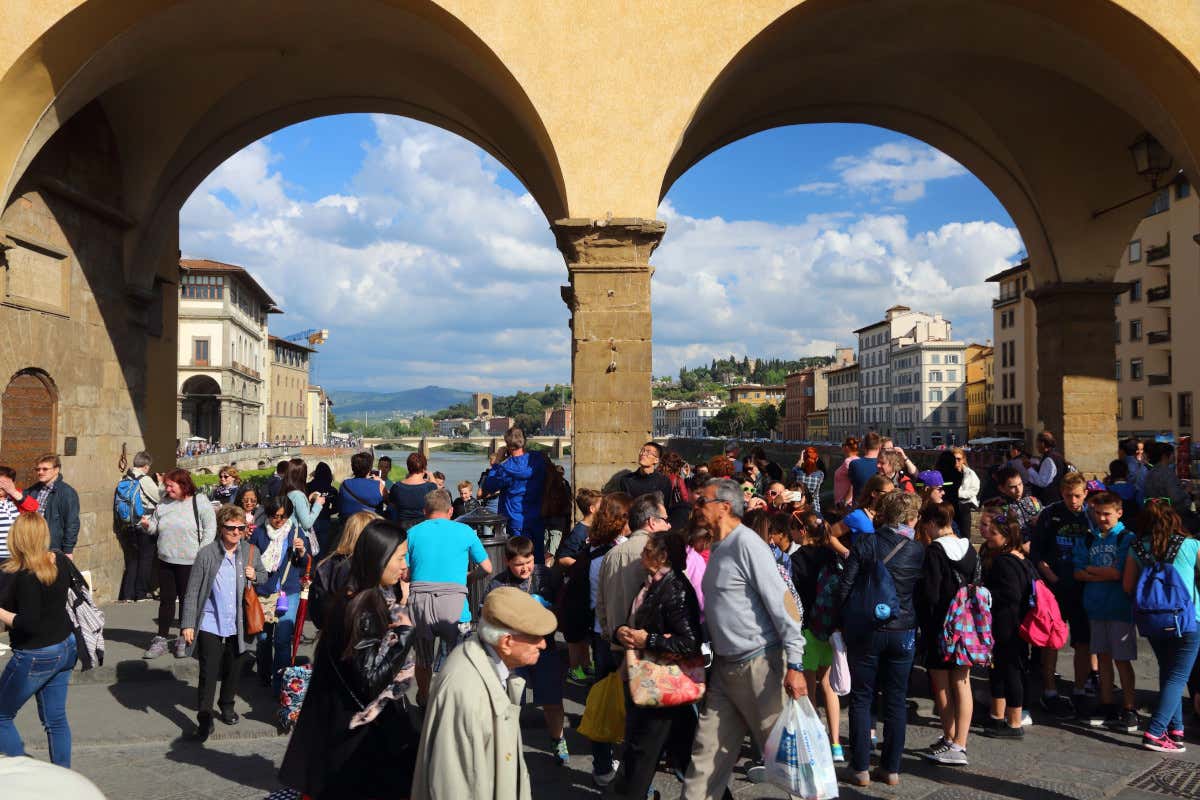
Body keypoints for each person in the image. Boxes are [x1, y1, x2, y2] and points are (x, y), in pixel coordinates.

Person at [681, 479, 806, 799]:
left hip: (760, 665)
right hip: (725, 668)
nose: (696, 507)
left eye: (701, 501)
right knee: (705, 758)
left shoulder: (748, 544)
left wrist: (795, 662)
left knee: (788, 760)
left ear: (724, 506)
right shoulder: (719, 546)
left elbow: (784, 605)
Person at [279, 519, 419, 799]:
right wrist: (405, 631)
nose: (405, 565)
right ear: (381, 558)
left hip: (341, 731)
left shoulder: (356, 596)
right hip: (360, 738)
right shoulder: (366, 608)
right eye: (401, 557)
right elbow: (369, 681)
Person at [411, 587, 555, 800]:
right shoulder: (465, 692)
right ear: (506, 642)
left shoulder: (489, 664)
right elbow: (452, 788)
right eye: (535, 637)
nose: (543, 644)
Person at [836, 491, 924, 787]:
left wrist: (842, 623)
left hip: (868, 629)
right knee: (897, 700)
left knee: (862, 697)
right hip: (903, 630)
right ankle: (891, 768)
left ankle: (860, 767)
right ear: (911, 519)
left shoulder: (866, 542)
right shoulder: (917, 550)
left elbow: (845, 585)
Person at [612, 530, 703, 798]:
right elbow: (639, 624)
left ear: (662, 556)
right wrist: (621, 631)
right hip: (660, 685)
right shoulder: (653, 583)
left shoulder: (674, 588)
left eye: (647, 550)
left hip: (661, 686)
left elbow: (689, 643)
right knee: (687, 758)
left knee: (639, 758)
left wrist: (647, 639)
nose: (641, 555)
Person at [180, 504, 268, 741]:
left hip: (238, 622)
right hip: (210, 620)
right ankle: (205, 717)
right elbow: (192, 591)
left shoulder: (250, 551)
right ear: (221, 528)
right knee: (208, 671)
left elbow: (264, 576)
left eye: (241, 528)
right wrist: (187, 624)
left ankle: (227, 704)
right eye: (231, 528)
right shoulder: (206, 554)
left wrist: (255, 576)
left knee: (234, 666)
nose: (236, 532)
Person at [562, 492, 630, 786]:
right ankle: (623, 767)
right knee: (625, 703)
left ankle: (603, 764)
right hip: (619, 636)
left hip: (600, 633)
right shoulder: (621, 552)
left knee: (603, 699)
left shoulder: (593, 548)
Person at [483, 536, 568, 765]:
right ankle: (509, 746)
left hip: (544, 647)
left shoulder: (544, 576)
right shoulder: (497, 585)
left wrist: (550, 607)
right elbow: (489, 619)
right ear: (507, 561)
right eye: (519, 564)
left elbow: (563, 606)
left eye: (528, 561)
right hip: (512, 655)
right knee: (511, 702)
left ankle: (557, 739)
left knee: (552, 700)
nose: (525, 568)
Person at [0, 512, 77, 767]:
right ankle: (63, 778)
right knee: (55, 719)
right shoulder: (59, 560)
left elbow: (28, 623)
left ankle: (25, 777)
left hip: (36, 653)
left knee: (1, 716)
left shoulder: (26, 576)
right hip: (66, 645)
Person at [1123, 502, 1200, 752]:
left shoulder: (1137, 548)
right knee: (1178, 676)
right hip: (1187, 620)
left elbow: (1127, 586)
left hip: (1153, 621)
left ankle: (1175, 729)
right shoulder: (1189, 545)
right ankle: (1155, 732)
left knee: (1168, 672)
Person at [407, 489, 493, 705]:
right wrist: (470, 577)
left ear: (425, 511)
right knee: (455, 659)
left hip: (420, 604)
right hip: (455, 606)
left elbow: (405, 572)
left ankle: (424, 697)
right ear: (451, 510)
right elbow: (487, 567)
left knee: (423, 659)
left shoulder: (413, 532)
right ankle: (448, 701)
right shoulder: (465, 531)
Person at [916, 502, 979, 765]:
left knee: (942, 686)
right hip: (965, 625)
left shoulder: (934, 551)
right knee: (963, 683)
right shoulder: (969, 548)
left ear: (931, 523)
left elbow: (930, 594)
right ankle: (959, 741)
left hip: (939, 626)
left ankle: (951, 738)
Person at [1030, 471, 1093, 717]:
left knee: (1083, 642)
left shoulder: (1091, 516)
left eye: (1077, 496)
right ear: (1061, 494)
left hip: (1083, 586)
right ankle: (1049, 690)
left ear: (1085, 494)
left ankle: (1079, 689)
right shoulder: (1051, 513)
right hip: (1056, 586)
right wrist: (1052, 577)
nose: (1073, 501)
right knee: (1051, 640)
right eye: (1068, 496)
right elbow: (1037, 552)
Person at [1075, 491, 1139, 732]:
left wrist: (1093, 572)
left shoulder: (1125, 537)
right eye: (1098, 513)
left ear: (1119, 513)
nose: (1102, 518)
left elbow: (1118, 573)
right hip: (1095, 606)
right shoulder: (1089, 538)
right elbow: (1077, 571)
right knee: (1101, 657)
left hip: (1119, 607)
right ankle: (1106, 702)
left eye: (1107, 514)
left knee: (1122, 659)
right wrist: (1101, 572)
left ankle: (1129, 706)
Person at [596, 493, 673, 680]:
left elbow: (601, 601)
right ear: (652, 522)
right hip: (649, 646)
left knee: (626, 702)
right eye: (665, 520)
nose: (669, 525)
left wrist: (610, 632)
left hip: (618, 642)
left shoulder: (612, 554)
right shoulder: (660, 552)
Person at [789, 509, 845, 763]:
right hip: (831, 627)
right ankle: (836, 743)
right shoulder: (831, 553)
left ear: (802, 531)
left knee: (809, 685)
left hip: (808, 628)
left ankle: (814, 740)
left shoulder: (797, 558)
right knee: (829, 685)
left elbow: (793, 594)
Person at [142, 469, 217, 659]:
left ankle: (185, 637)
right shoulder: (164, 503)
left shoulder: (199, 501)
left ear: (183, 485)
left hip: (191, 561)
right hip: (165, 559)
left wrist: (202, 553)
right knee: (166, 601)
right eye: (166, 485)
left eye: (170, 486)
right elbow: (154, 527)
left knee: (187, 601)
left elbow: (210, 528)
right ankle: (161, 638)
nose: (167, 489)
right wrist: (146, 525)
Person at [980, 502, 1035, 739]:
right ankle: (997, 717)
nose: (988, 537)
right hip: (1014, 624)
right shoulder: (1020, 557)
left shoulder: (1004, 562)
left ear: (1005, 536)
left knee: (1010, 672)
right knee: (1000, 671)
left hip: (1007, 626)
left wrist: (984, 593)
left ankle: (1014, 723)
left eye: (993, 534)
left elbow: (1011, 594)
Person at [249, 495, 310, 693]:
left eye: (283, 516)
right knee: (264, 639)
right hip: (263, 591)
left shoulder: (296, 532)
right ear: (268, 515)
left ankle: (280, 684)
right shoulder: (259, 534)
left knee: (283, 639)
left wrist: (301, 553)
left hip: (288, 591)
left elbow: (304, 566)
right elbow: (251, 561)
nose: (279, 520)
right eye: (275, 516)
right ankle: (264, 676)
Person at [484, 427, 548, 560]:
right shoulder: (538, 460)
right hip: (537, 517)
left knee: (519, 559)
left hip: (515, 520)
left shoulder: (506, 468)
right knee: (537, 558)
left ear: (508, 446)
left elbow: (488, 486)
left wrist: (496, 463)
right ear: (524, 441)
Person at [559, 487, 601, 682]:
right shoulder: (579, 531)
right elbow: (563, 558)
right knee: (575, 635)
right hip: (576, 589)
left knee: (585, 631)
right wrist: (583, 565)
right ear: (592, 509)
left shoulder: (596, 529)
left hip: (586, 588)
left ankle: (586, 663)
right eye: (601, 505)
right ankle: (574, 669)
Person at [311, 510, 377, 630]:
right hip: (358, 636)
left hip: (331, 633)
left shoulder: (326, 564)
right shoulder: (368, 565)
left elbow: (316, 608)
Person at [116, 451, 161, 602]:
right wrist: (160, 484)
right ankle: (140, 594)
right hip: (144, 523)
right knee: (146, 559)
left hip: (128, 525)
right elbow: (160, 498)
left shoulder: (125, 478)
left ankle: (128, 594)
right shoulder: (145, 480)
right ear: (146, 466)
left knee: (132, 560)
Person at [26, 454, 79, 558]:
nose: (40, 472)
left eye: (45, 469)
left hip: (52, 547)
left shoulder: (67, 492)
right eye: (38, 469)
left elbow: (72, 523)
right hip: (32, 545)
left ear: (56, 470)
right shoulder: (34, 489)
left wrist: (68, 550)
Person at [281, 458, 323, 554]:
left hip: (289, 536)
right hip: (300, 539)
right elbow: (307, 523)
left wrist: (307, 501)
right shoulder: (298, 495)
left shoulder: (286, 491)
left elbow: (294, 512)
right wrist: (317, 505)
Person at [390, 452, 439, 532]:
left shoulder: (397, 487)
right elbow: (439, 495)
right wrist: (431, 476)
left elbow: (392, 505)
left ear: (408, 467)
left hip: (402, 530)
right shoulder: (430, 487)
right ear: (424, 468)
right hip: (423, 529)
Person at [994, 465, 1043, 541]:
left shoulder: (1033, 501)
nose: (1018, 490)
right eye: (1012, 487)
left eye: (1020, 484)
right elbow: (1001, 536)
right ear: (1002, 489)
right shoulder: (999, 509)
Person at [619, 442, 674, 508]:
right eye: (642, 450)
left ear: (656, 460)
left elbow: (666, 507)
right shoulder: (627, 480)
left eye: (648, 452)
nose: (643, 454)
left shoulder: (664, 481)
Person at [843, 474, 894, 542]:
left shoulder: (889, 515)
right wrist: (847, 552)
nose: (891, 497)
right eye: (888, 494)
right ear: (874, 493)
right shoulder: (858, 516)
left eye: (893, 494)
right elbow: (830, 536)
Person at [1144, 441, 1192, 510]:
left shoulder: (1151, 471)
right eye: (1172, 454)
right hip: (1170, 513)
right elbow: (1175, 498)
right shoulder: (1167, 472)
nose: (1174, 456)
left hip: (1155, 511)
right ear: (1164, 456)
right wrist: (1186, 491)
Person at [339, 451, 387, 518]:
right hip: (372, 525)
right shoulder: (379, 485)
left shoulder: (344, 485)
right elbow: (389, 501)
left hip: (349, 524)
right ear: (369, 469)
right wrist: (381, 482)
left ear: (352, 468)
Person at [1024, 430, 1066, 505]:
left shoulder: (1049, 459)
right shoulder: (1056, 456)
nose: (1036, 446)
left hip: (1050, 501)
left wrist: (1029, 468)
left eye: (1037, 443)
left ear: (1042, 443)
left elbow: (1043, 482)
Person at [541, 463, 572, 557]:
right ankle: (549, 567)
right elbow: (567, 501)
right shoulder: (564, 484)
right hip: (558, 521)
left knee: (545, 546)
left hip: (547, 520)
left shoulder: (545, 484)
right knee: (553, 551)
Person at [306, 462, 337, 554]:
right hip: (325, 519)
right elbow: (337, 507)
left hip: (311, 519)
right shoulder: (332, 490)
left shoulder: (307, 487)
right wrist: (328, 512)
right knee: (323, 548)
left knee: (311, 547)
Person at [949, 447, 980, 539]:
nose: (956, 461)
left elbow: (974, 489)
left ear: (963, 460)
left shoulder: (970, 473)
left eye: (958, 459)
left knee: (965, 533)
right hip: (951, 504)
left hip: (965, 503)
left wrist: (959, 493)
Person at [848, 432, 883, 498]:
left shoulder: (854, 464)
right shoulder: (884, 465)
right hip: (879, 505)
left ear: (864, 446)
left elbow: (852, 483)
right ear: (880, 447)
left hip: (859, 505)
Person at [792, 446, 825, 514]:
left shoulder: (797, 472)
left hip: (799, 507)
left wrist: (801, 459)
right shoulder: (820, 475)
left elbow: (796, 467)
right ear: (816, 459)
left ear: (804, 459)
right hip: (814, 507)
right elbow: (816, 494)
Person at [833, 437, 860, 508]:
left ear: (847, 447)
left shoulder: (848, 462)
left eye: (842, 445)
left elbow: (856, 482)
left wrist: (845, 501)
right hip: (850, 503)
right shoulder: (858, 459)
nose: (841, 448)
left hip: (845, 505)